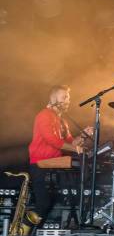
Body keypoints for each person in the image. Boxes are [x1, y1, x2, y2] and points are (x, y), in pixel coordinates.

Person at [28, 85, 90, 226]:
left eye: (68, 98)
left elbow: (71, 142)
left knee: (48, 205)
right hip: (39, 165)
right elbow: (53, 141)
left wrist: (84, 136)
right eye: (64, 97)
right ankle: (25, 233)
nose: (67, 101)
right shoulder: (44, 115)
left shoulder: (62, 121)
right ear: (53, 98)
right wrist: (76, 150)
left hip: (53, 165)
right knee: (43, 204)